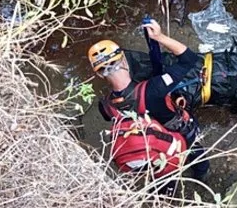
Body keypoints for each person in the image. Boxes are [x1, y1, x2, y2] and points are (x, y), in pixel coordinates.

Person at [87, 20, 209, 180]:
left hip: (153, 149)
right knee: (196, 152)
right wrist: (159, 37)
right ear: (124, 59)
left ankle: (166, 192)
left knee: (163, 175)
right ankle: (202, 174)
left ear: (99, 74)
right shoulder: (154, 88)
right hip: (179, 136)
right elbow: (189, 59)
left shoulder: (106, 106)